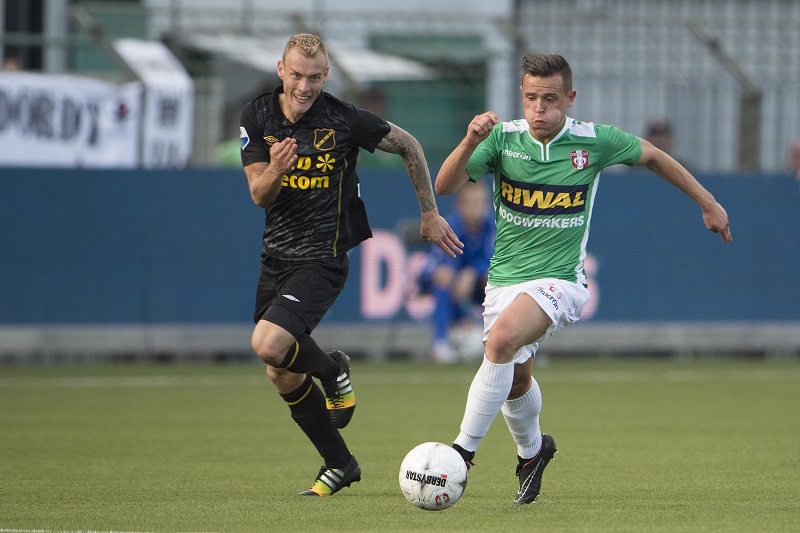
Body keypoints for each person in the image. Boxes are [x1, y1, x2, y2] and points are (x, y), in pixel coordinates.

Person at [435, 53, 731, 505]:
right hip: (504, 283)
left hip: (560, 281)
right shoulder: (501, 140)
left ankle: (461, 454)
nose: (539, 109)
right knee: (514, 379)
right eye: (531, 98)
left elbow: (652, 155)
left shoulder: (594, 142)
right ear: (521, 96)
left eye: (550, 100)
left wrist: (707, 202)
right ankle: (533, 453)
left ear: (569, 99)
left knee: (500, 344)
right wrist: (468, 141)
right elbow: (444, 186)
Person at [239, 33, 462, 497]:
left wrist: (428, 212)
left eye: (315, 76)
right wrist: (277, 167)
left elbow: (410, 146)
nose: (305, 86)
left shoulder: (342, 119)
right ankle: (340, 463)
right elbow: (260, 196)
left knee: (267, 343)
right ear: (281, 70)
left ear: (327, 75)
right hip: (275, 257)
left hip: (322, 258)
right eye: (297, 75)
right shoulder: (257, 115)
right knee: (280, 369)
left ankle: (331, 368)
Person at [418, 181, 494, 363]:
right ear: (459, 205)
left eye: (480, 203)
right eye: (470, 203)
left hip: (478, 286)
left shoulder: (494, 226)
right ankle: (441, 343)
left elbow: (496, 260)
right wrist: (457, 275)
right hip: (452, 287)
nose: (476, 208)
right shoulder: (447, 227)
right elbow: (429, 270)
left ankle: (505, 343)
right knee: (443, 276)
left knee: (495, 279)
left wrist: (473, 272)